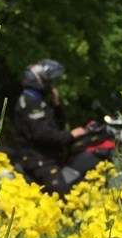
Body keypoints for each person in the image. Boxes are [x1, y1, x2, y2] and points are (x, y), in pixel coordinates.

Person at [13, 58, 99, 195]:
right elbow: (42, 133)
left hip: (49, 157)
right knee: (64, 196)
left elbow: (58, 125)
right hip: (38, 159)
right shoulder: (29, 101)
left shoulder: (39, 101)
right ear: (39, 80)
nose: (52, 86)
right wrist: (70, 135)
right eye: (50, 82)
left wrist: (56, 103)